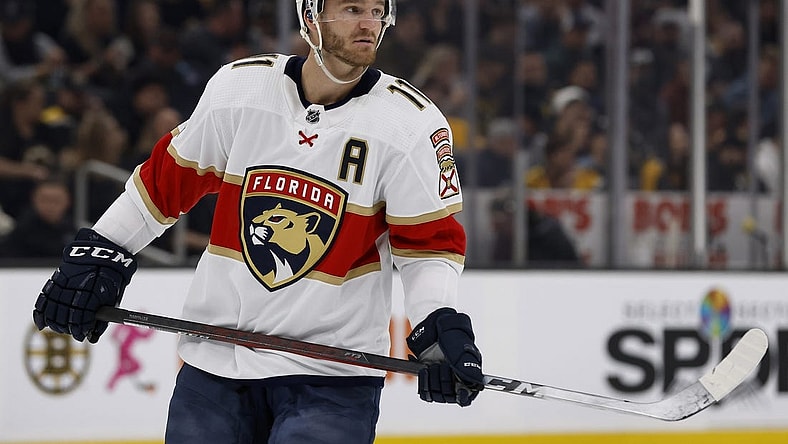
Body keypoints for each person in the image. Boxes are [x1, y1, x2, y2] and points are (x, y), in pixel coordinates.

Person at [32, 1, 484, 443]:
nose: (369, 23)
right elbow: (162, 185)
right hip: (215, 364)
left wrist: (436, 319)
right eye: (352, 10)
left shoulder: (410, 124)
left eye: (377, 11)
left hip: (331, 377)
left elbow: (428, 246)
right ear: (310, 16)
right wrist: (102, 250)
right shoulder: (241, 89)